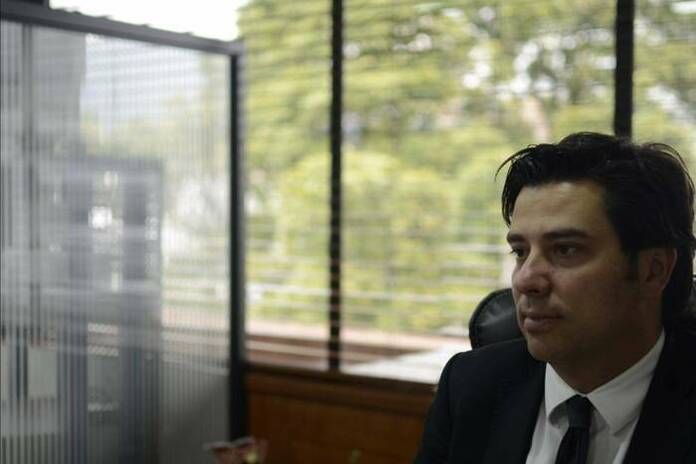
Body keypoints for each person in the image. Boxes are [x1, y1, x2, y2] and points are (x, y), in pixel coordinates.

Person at [414, 132, 696, 464]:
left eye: (566, 250)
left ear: (653, 271)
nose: (525, 280)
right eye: (520, 251)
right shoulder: (470, 386)